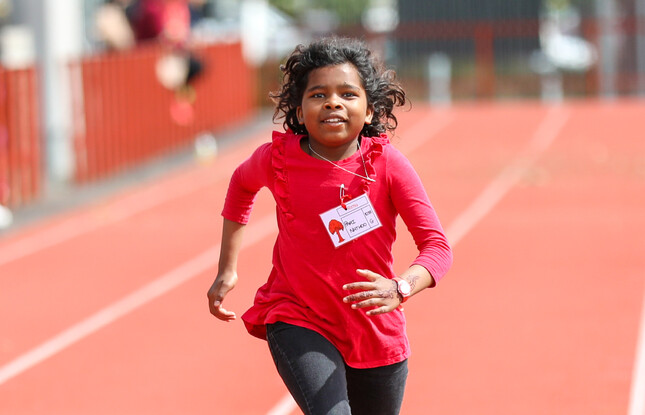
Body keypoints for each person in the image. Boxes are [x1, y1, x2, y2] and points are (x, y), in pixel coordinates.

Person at [207, 37, 453, 415]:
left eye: (348, 94)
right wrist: (227, 268)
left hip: (375, 332)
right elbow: (242, 184)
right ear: (299, 110)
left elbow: (437, 246)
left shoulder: (389, 165)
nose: (333, 102)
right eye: (318, 94)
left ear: (369, 111)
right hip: (298, 316)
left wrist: (400, 287)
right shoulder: (278, 159)